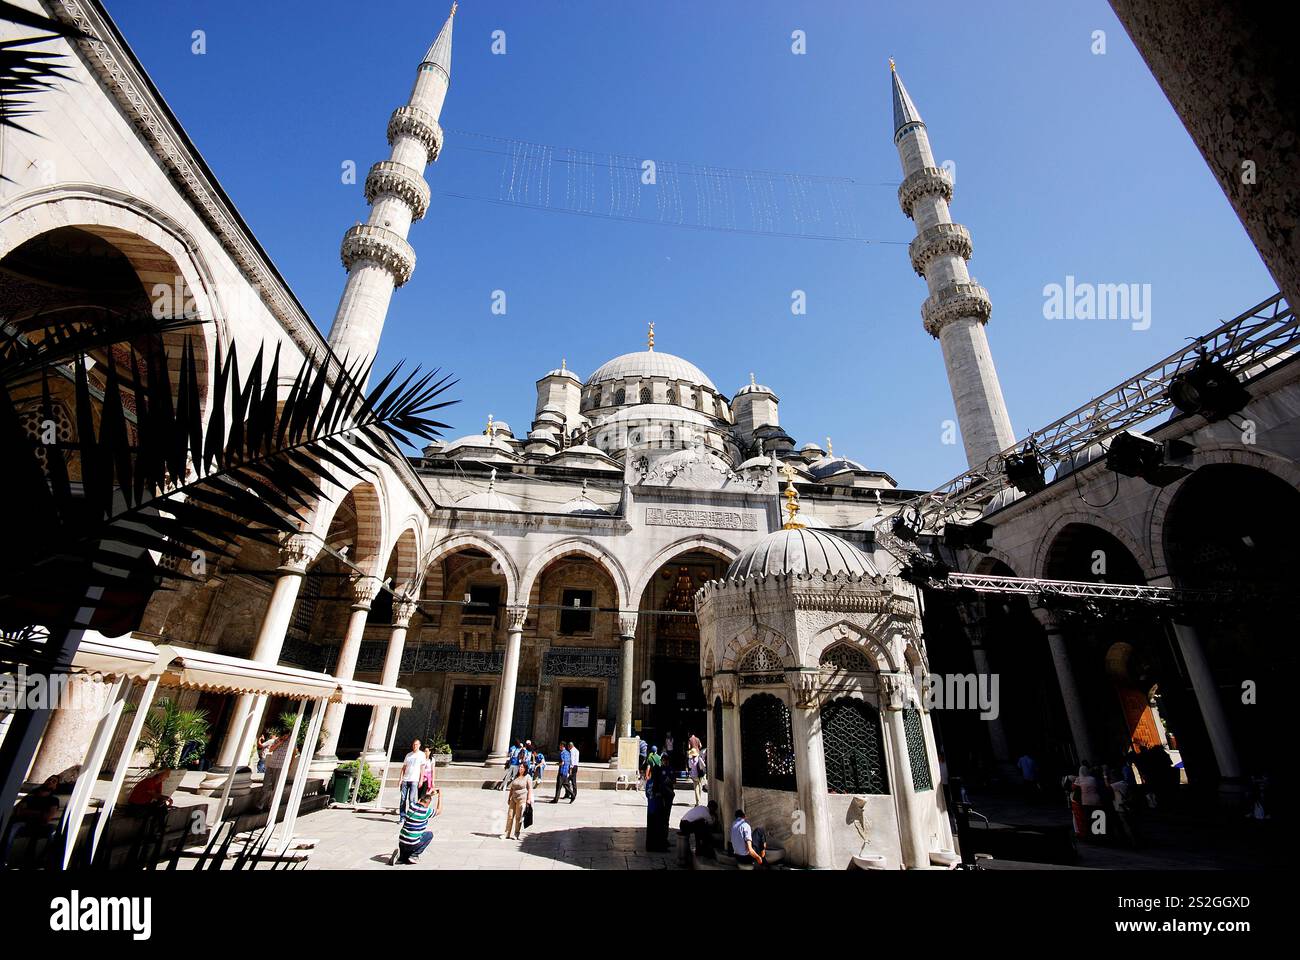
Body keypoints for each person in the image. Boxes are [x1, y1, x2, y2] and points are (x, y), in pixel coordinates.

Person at [1, 775, 61, 867]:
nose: (50, 782)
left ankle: (46, 862)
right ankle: (3, 860)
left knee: (54, 831)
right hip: (24, 824)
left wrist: (29, 812)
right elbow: (19, 812)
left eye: (54, 782)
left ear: (55, 787)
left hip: (40, 825)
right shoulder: (31, 795)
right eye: (49, 779)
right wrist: (40, 813)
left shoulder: (54, 800)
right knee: (13, 827)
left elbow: (47, 817)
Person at [393, 783, 441, 864]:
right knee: (429, 835)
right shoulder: (426, 811)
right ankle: (414, 855)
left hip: (402, 841)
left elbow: (421, 801)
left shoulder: (412, 806)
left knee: (406, 849)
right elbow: (439, 810)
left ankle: (401, 857)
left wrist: (429, 795)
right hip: (412, 843)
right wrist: (440, 796)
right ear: (428, 804)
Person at [503, 757, 533, 840]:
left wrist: (528, 799)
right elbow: (512, 788)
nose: (520, 768)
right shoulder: (516, 776)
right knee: (510, 815)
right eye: (520, 767)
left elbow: (530, 788)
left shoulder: (528, 777)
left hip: (522, 798)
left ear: (525, 768)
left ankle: (516, 833)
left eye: (522, 767)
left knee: (518, 817)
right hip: (513, 798)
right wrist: (509, 798)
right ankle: (507, 832)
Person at [399, 739, 423, 818]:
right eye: (413, 744)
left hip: (414, 780)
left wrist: (421, 779)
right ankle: (402, 816)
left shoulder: (421, 755)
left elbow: (422, 769)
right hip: (405, 780)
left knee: (411, 799)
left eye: (416, 744)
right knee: (403, 799)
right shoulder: (408, 755)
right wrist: (400, 779)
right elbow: (403, 768)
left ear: (419, 745)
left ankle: (411, 816)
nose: (414, 746)